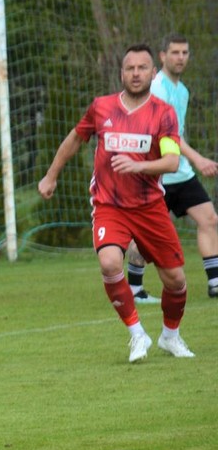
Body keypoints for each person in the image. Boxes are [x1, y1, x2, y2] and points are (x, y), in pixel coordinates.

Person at [38, 43, 195, 363]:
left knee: (176, 280)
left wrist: (138, 166)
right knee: (110, 263)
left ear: (153, 72)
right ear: (121, 73)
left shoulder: (163, 113)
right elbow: (75, 138)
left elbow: (171, 161)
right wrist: (51, 175)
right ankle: (137, 334)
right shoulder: (102, 107)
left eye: (142, 68)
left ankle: (170, 336)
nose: (136, 74)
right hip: (109, 205)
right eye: (129, 68)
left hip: (150, 206)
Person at [126, 33, 218, 301]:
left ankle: (215, 282)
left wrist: (190, 160)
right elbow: (169, 135)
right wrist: (198, 159)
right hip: (157, 174)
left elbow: (179, 133)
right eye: (175, 52)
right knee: (145, 235)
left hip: (181, 172)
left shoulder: (182, 90)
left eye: (184, 53)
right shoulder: (157, 88)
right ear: (163, 56)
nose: (180, 58)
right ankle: (134, 289)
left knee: (208, 218)